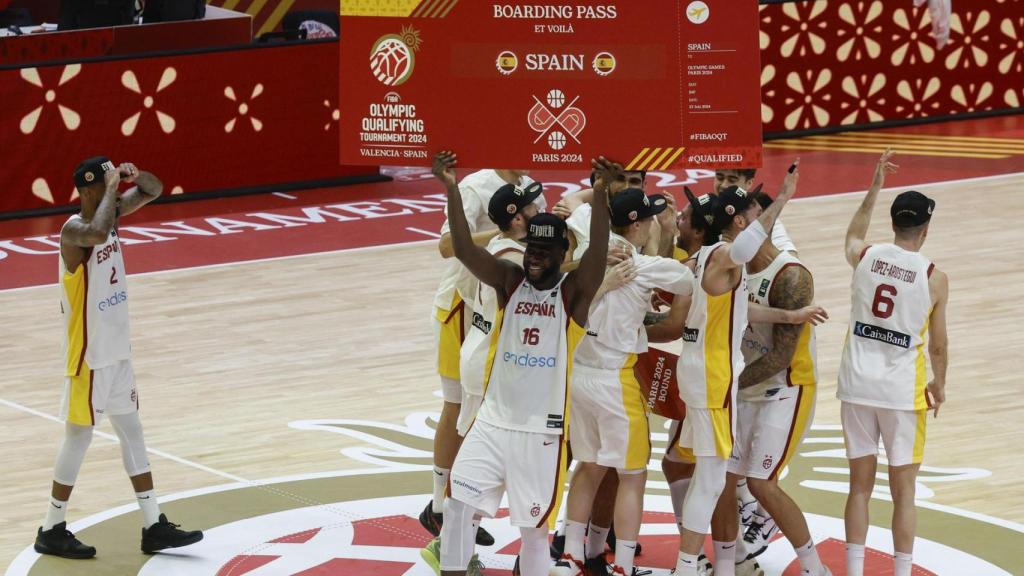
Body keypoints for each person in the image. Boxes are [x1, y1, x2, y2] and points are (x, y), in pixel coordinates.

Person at [423, 151, 610, 576]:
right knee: (455, 509)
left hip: (538, 434)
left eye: (546, 250)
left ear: (563, 253)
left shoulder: (573, 296)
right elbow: (466, 248)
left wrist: (599, 194)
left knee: (533, 532)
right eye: (533, 249)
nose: (535, 257)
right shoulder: (510, 282)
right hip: (491, 422)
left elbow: (597, 254)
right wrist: (451, 187)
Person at [34, 157, 203, 559]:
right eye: (105, 182)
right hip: (89, 356)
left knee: (133, 431)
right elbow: (95, 230)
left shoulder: (111, 217)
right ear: (88, 189)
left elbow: (153, 189)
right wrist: (112, 189)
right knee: (79, 438)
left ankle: (153, 525)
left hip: (118, 353)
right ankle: (51, 526)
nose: (112, 186)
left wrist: (134, 175)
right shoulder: (74, 231)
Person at [553, 189, 693, 576]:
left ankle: (570, 557)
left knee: (589, 466)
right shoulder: (643, 265)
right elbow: (690, 280)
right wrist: (670, 233)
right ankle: (624, 566)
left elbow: (574, 206)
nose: (652, 222)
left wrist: (598, 190)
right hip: (615, 381)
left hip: (579, 376)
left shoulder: (589, 240)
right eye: (648, 218)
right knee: (632, 475)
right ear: (637, 224)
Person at [672, 162, 800, 576]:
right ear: (736, 221)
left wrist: (787, 315)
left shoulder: (703, 258)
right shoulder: (724, 256)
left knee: (709, 476)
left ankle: (694, 563)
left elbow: (741, 310)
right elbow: (744, 249)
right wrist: (781, 199)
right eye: (748, 213)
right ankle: (687, 566)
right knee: (710, 480)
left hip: (699, 372)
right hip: (711, 378)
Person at [838, 149, 948, 576]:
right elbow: (937, 346)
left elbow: (851, 234)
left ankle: (853, 570)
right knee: (904, 492)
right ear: (925, 228)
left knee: (859, 489)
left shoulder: (865, 257)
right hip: (902, 392)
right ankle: (901, 572)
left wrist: (874, 188)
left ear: (894, 224)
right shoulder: (933, 276)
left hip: (856, 385)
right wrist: (939, 383)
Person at [421, 166, 541, 547]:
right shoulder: (475, 185)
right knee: (458, 407)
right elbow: (445, 246)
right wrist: (504, 234)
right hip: (464, 304)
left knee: (480, 415)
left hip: (501, 311)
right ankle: (440, 504)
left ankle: (456, 509)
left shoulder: (528, 186)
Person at [713, 190, 831, 576]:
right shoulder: (734, 266)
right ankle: (732, 566)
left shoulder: (791, 275)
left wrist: (727, 386)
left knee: (762, 483)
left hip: (786, 386)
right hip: (746, 384)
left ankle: (815, 568)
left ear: (744, 226)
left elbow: (779, 357)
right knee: (724, 481)